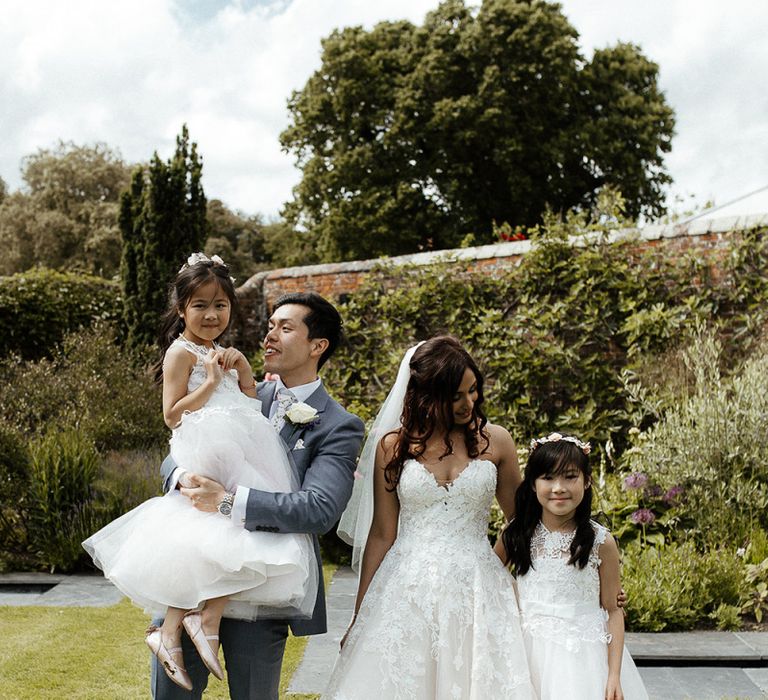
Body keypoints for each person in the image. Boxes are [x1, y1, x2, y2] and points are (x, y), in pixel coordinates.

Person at [83, 253, 318, 691]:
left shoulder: (220, 351)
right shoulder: (181, 352)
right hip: (204, 444)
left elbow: (248, 402)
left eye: (220, 305)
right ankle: (187, 623)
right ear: (181, 309)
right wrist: (209, 383)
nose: (211, 315)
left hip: (238, 445)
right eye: (200, 306)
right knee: (216, 530)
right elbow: (171, 415)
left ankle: (185, 624)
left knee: (230, 533)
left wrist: (244, 373)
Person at [158, 289, 365, 699]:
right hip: (193, 576)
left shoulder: (339, 425)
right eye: (270, 326)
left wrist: (228, 502)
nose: (269, 335)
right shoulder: (235, 388)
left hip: (262, 590)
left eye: (285, 328)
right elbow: (179, 445)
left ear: (317, 346)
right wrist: (182, 475)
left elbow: (319, 509)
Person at [325, 336, 537, 699]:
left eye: (473, 391)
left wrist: (492, 562)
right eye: (456, 395)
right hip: (406, 588)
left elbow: (524, 521)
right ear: (426, 395)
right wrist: (360, 618)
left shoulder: (496, 442)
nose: (468, 403)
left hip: (477, 588)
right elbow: (381, 534)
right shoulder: (393, 446)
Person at [497, 432, 649, 700]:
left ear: (587, 480)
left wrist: (613, 675)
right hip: (525, 652)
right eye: (548, 477)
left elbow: (613, 612)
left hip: (582, 657)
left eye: (570, 476)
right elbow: (489, 577)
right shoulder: (516, 534)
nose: (558, 487)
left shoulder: (601, 542)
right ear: (532, 484)